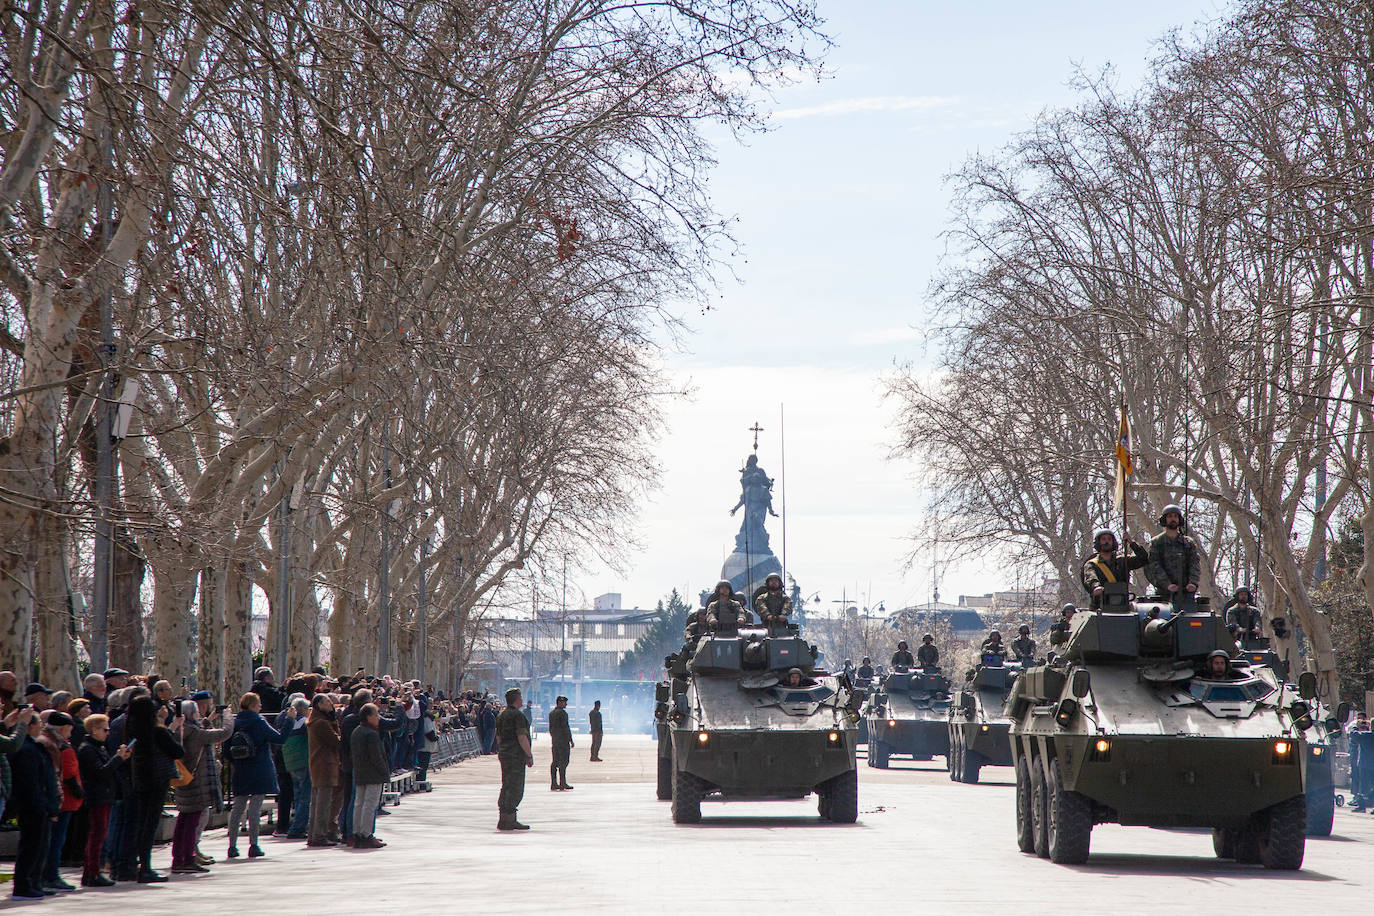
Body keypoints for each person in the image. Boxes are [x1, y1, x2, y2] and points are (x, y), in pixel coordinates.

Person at [125, 694, 185, 883]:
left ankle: (137, 865)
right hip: (157, 778)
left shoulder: (132, 730)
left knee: (142, 822)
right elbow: (178, 751)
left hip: (141, 778)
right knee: (149, 824)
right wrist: (173, 728)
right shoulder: (158, 731)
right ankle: (145, 868)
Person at [226, 691, 291, 859]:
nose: (261, 707)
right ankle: (253, 845)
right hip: (259, 768)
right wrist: (290, 720)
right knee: (255, 808)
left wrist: (236, 762)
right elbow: (280, 738)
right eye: (258, 704)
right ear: (253, 705)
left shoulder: (235, 723)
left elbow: (226, 749)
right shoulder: (259, 721)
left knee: (238, 808)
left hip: (240, 769)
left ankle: (232, 846)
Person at [171, 698, 232, 873]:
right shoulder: (196, 733)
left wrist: (209, 719)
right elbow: (224, 733)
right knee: (192, 823)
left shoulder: (181, 730)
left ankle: (178, 858)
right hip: (197, 783)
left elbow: (199, 729)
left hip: (185, 780)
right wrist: (228, 717)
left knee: (183, 821)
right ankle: (188, 858)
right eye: (196, 711)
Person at [10, 711, 59, 901]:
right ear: (30, 726)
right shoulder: (26, 749)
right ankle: (23, 885)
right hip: (32, 805)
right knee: (31, 846)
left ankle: (34, 882)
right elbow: (31, 782)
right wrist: (42, 804)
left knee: (39, 846)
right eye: (38, 723)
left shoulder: (33, 746)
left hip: (39, 804)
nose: (41, 727)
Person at [76, 713, 128, 887]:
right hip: (96, 797)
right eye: (105, 729)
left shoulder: (99, 747)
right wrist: (117, 758)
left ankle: (92, 872)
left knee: (99, 835)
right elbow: (101, 772)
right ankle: (92, 873)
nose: (108, 733)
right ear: (94, 730)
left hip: (104, 795)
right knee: (97, 836)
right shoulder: (88, 749)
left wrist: (120, 759)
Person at [42, 711, 82, 892]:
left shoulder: (51, 743)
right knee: (56, 840)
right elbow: (69, 775)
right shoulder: (61, 747)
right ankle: (51, 876)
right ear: (63, 728)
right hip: (63, 800)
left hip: (58, 798)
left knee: (54, 839)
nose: (70, 733)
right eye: (69, 729)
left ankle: (48, 875)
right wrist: (80, 794)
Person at [349, 703, 390, 848]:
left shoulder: (357, 731)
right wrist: (385, 772)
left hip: (360, 772)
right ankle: (366, 834)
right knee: (370, 804)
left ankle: (357, 833)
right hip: (373, 774)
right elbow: (376, 756)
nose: (378, 718)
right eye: (376, 715)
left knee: (359, 803)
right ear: (368, 716)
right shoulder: (371, 734)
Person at [1146, 505, 1201, 607]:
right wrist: (1167, 584)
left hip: (1186, 594)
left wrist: (1192, 582)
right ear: (1164, 519)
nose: (1173, 519)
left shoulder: (1188, 543)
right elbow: (1154, 566)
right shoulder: (1157, 542)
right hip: (1164, 594)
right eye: (1170, 516)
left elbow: (1195, 564)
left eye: (1175, 516)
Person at [307, 693, 343, 846]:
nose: (331, 704)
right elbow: (336, 740)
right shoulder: (321, 723)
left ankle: (314, 834)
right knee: (323, 803)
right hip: (325, 766)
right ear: (319, 705)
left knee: (317, 802)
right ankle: (319, 835)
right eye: (327, 702)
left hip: (319, 765)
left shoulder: (315, 721)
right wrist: (335, 722)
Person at [495, 687, 534, 830]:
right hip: (516, 755)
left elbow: (498, 737)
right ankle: (510, 819)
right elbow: (521, 736)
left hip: (504, 754)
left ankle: (503, 818)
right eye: (520, 698)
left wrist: (504, 749)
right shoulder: (517, 715)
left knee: (506, 784)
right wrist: (528, 754)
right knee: (516, 786)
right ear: (517, 700)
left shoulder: (502, 715)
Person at [1081, 528, 1149, 607]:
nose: (1107, 542)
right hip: (1100, 605)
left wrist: (1131, 542)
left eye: (1109, 539)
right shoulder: (1092, 564)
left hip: (1122, 604)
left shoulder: (1122, 561)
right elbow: (1090, 577)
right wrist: (1096, 586)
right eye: (1103, 539)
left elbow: (1143, 559)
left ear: (1113, 542)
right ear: (1098, 542)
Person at [281, 695, 313, 838]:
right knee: (305, 796)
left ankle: (297, 825)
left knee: (298, 795)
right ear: (303, 709)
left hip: (291, 762)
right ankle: (298, 828)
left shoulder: (287, 722)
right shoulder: (304, 723)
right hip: (303, 761)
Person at [548, 695, 574, 791]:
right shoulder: (563, 713)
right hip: (563, 741)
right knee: (563, 761)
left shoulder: (551, 713)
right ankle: (562, 782)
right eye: (564, 702)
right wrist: (570, 740)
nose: (566, 704)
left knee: (555, 761)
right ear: (560, 703)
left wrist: (554, 737)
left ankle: (554, 783)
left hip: (555, 741)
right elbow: (565, 727)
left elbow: (550, 728)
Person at [1350, 717, 1374, 812]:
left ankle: (1362, 806)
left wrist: (1356, 726)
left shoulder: (1366, 735)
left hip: (1365, 764)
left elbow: (1353, 734)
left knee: (1363, 787)